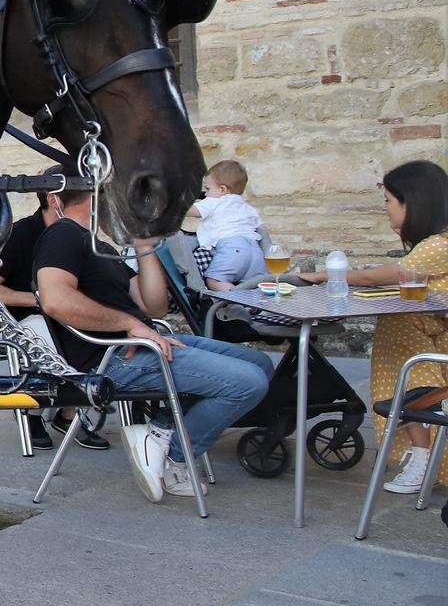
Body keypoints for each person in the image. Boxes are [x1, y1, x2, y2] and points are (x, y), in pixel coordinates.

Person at [34, 188, 274, 503]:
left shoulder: (101, 246)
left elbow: (154, 306)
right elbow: (55, 300)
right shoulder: (63, 236)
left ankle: (159, 432)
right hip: (110, 358)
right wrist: (130, 325)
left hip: (143, 342)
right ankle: (175, 459)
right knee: (248, 383)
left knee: (262, 365)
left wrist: (144, 248)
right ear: (98, 196)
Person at [300, 160, 448, 495]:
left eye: (388, 201)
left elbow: (380, 276)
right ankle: (422, 452)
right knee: (402, 330)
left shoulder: (440, 244)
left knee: (403, 341)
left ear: (411, 203)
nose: (384, 208)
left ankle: (422, 454)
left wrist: (327, 275)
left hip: (433, 345)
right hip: (434, 335)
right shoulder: (436, 243)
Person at [0, 191, 109, 452]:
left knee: (97, 329)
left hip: (66, 315)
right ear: (53, 200)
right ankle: (33, 412)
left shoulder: (79, 234)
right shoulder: (21, 234)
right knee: (44, 332)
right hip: (24, 316)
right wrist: (40, 300)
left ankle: (70, 412)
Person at [185, 159, 266, 291]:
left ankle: (239, 300)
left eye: (208, 188)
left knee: (215, 280)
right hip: (255, 252)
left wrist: (170, 205)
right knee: (255, 286)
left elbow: (191, 211)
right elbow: (262, 229)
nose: (205, 193)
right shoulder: (247, 207)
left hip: (232, 249)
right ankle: (260, 307)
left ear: (222, 189)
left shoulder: (215, 201)